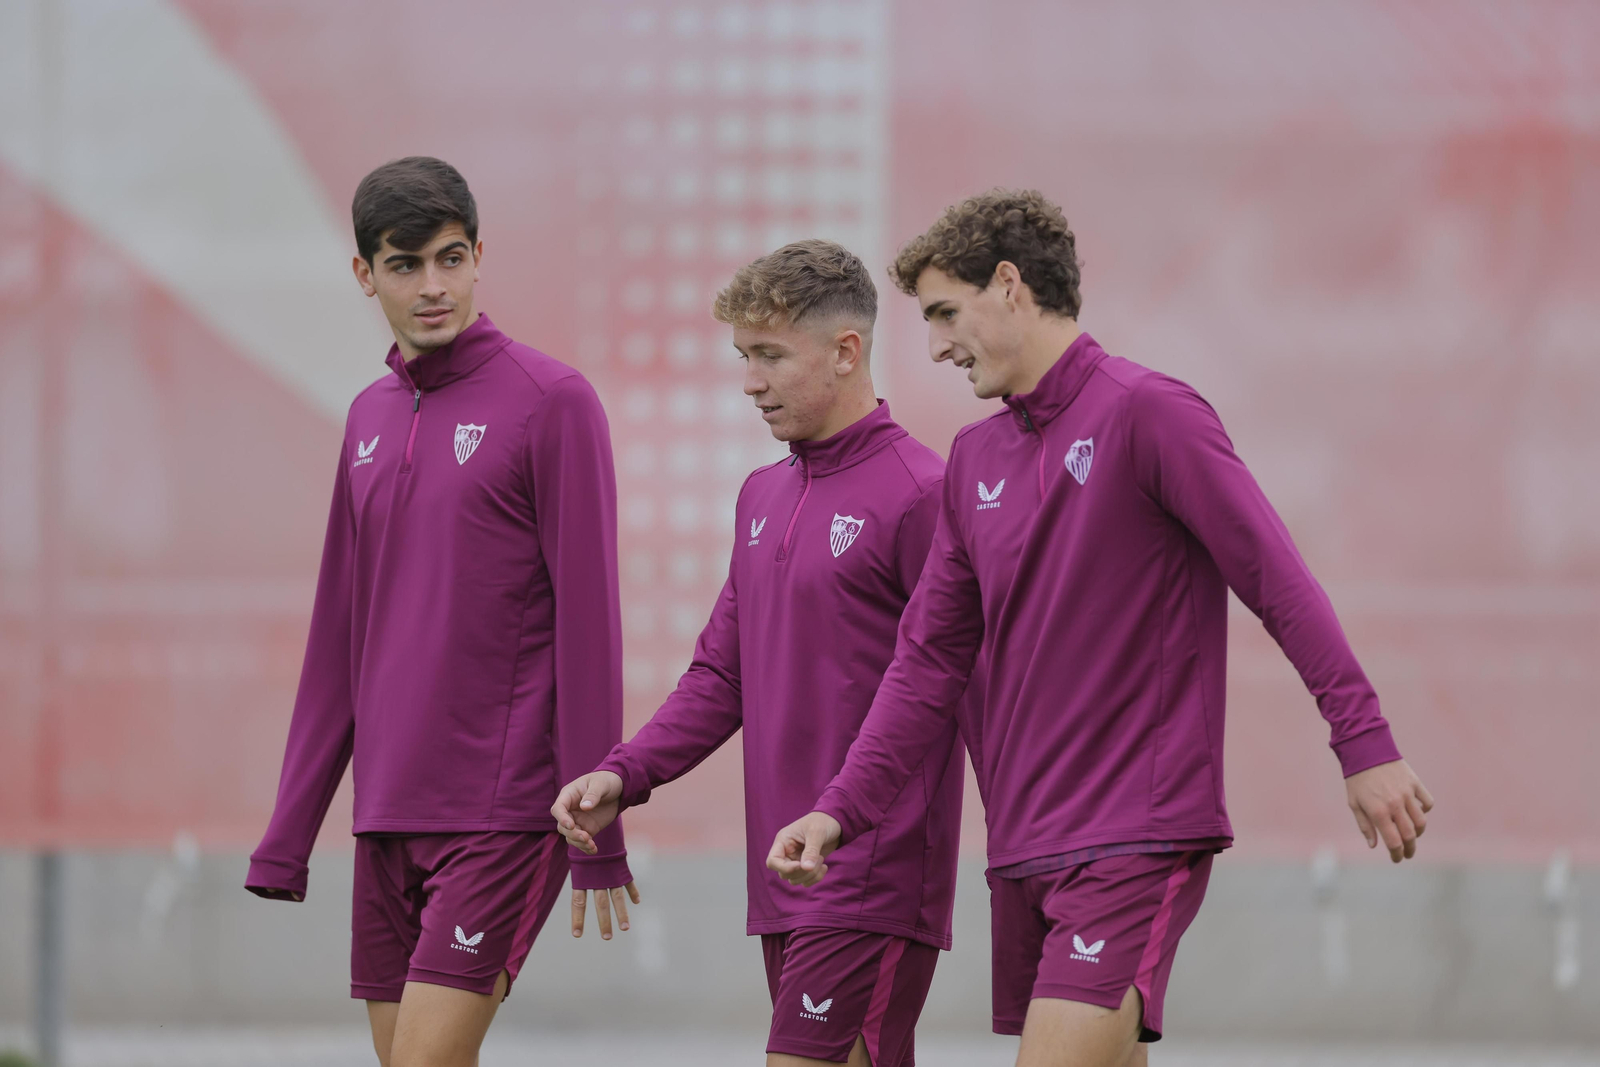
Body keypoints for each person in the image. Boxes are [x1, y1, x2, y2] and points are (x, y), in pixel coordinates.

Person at [767, 190, 1436, 1067]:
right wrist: (838, 812)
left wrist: (1366, 741)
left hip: (1136, 832)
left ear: (1009, 285)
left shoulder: (1149, 413)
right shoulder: (973, 459)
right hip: (1025, 846)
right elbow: (927, 663)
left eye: (944, 312)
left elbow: (1276, 579)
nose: (934, 345)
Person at [244, 156, 637, 1067]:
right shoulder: (367, 418)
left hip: (502, 811)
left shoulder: (553, 403)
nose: (433, 286)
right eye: (406, 263)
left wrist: (597, 822)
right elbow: (339, 639)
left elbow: (591, 627)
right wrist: (289, 832)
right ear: (364, 274)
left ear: (478, 256)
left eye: (451, 259)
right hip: (385, 813)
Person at [553, 240, 966, 1067]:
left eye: (770, 355)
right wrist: (625, 773)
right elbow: (720, 675)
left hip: (870, 872)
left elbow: (949, 684)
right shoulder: (761, 495)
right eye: (744, 356)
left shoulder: (923, 493)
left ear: (846, 351)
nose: (750, 381)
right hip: (784, 872)